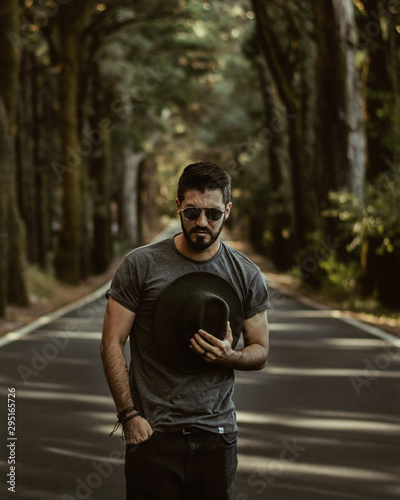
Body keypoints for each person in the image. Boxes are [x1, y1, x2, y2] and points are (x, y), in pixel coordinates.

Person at [100, 161, 270, 500]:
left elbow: (261, 349)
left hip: (217, 436)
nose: (202, 222)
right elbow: (112, 342)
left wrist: (231, 356)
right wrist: (130, 416)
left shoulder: (246, 275)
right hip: (153, 436)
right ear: (178, 206)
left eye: (213, 213)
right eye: (192, 211)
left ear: (228, 211)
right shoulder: (140, 265)